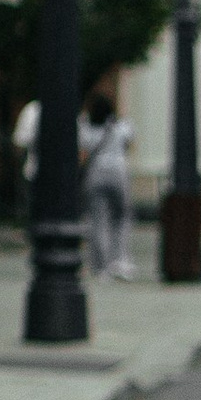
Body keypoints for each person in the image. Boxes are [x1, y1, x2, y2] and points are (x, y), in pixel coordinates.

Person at [80, 87, 133, 281]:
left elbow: (83, 152)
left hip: (96, 174)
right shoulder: (121, 126)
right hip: (119, 173)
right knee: (121, 218)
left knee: (97, 220)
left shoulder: (86, 127)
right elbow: (130, 144)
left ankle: (100, 267)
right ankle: (120, 260)